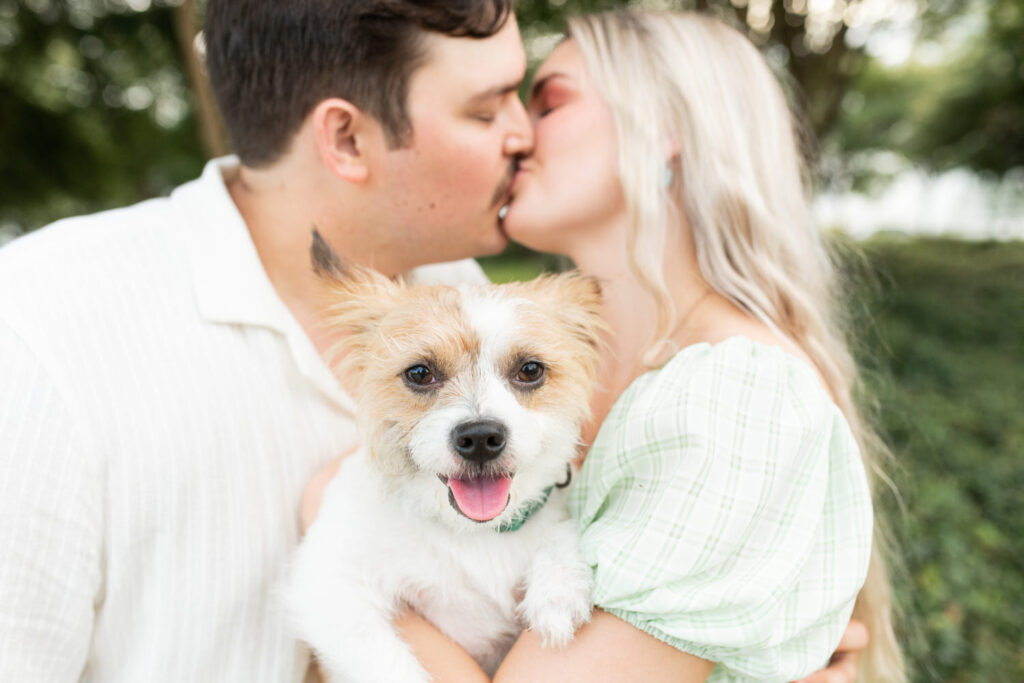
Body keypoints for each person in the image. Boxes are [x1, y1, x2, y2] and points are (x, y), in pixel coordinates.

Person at [308, 9, 903, 683]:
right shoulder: (563, 345)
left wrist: (331, 538)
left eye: (549, 102)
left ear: (667, 128)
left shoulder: (737, 394)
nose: (515, 135)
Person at [0, 1, 528, 680]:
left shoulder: (467, 293)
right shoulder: (42, 330)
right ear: (345, 138)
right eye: (488, 111)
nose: (526, 134)